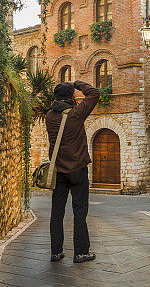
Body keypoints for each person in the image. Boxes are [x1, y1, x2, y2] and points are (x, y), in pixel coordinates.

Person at [45, 80, 100, 263]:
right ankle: (81, 252)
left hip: (58, 171)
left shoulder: (49, 117)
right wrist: (77, 83)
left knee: (57, 212)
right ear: (71, 97)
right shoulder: (76, 114)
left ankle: (56, 251)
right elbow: (94, 94)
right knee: (79, 211)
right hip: (77, 170)